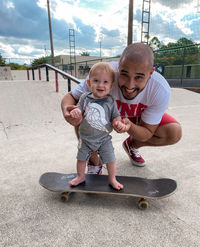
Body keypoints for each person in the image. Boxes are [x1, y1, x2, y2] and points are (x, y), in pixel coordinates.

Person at [61, 42, 182, 173]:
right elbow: (71, 97)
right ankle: (94, 160)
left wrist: (130, 127)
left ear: (151, 73)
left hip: (137, 117)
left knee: (173, 132)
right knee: (82, 110)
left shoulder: (160, 89)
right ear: (118, 67)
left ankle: (132, 145)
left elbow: (147, 133)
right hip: (105, 114)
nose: (130, 85)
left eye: (139, 77)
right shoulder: (105, 73)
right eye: (124, 74)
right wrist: (67, 111)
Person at [68, 62, 130, 190]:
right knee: (81, 159)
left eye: (105, 82)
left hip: (103, 138)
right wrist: (76, 112)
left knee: (111, 159)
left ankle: (112, 179)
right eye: (96, 80)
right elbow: (79, 109)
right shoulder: (85, 98)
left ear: (111, 86)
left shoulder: (110, 101)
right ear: (89, 83)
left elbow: (116, 116)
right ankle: (81, 176)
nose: (100, 85)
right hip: (85, 138)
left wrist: (118, 122)